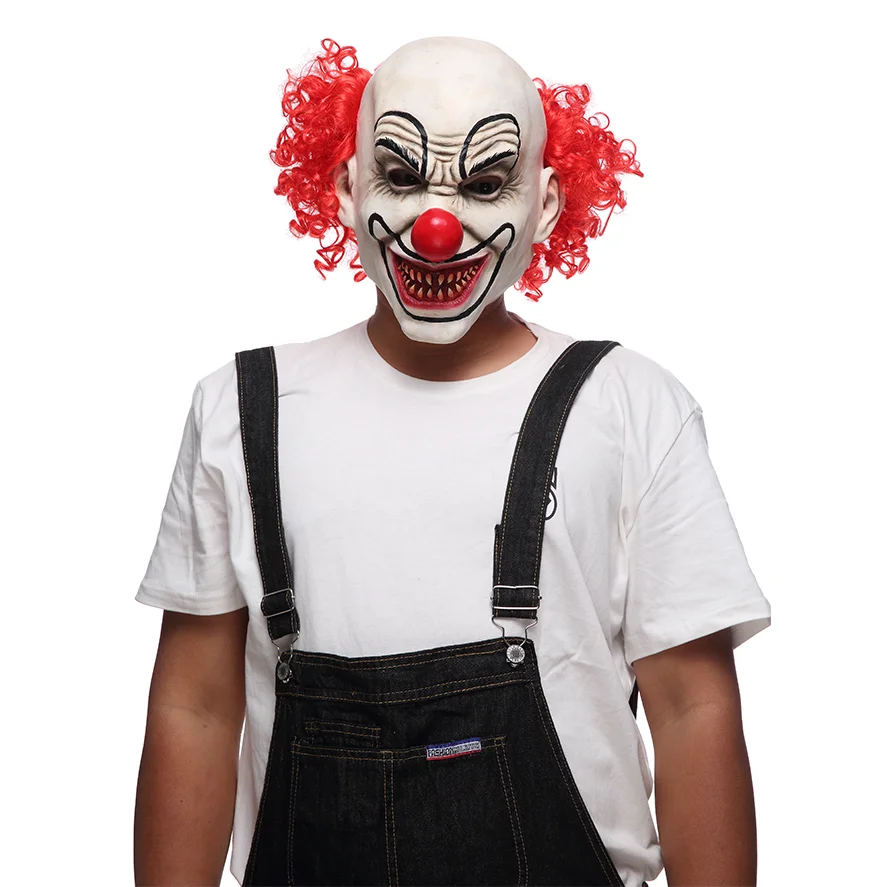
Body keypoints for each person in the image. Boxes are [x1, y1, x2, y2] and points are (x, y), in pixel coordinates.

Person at [133, 36, 771, 887]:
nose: (438, 228)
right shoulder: (242, 409)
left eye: (484, 184)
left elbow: (692, 707)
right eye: (400, 176)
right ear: (348, 187)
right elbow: (196, 707)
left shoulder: (629, 404)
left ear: (544, 203)